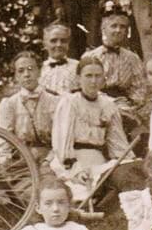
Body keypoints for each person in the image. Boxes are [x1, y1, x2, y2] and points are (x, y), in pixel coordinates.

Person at [50, 56, 134, 203]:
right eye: (88, 76)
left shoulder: (108, 105)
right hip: (73, 159)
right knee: (78, 193)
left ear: (104, 79)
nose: (93, 81)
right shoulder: (70, 102)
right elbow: (62, 143)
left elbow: (117, 142)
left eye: (98, 76)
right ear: (78, 78)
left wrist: (127, 160)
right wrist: (76, 169)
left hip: (98, 161)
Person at [83, 2, 148, 123]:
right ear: (103, 28)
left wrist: (131, 105)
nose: (118, 30)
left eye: (122, 27)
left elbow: (139, 88)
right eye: (114, 26)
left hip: (126, 108)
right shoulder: (91, 57)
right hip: (95, 107)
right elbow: (84, 88)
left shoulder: (132, 58)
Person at [0, 51, 58, 165]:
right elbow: (4, 140)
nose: (26, 74)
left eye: (31, 69)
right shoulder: (9, 104)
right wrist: (4, 162)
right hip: (22, 161)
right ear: (15, 76)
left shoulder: (55, 101)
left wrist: (49, 160)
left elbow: (61, 139)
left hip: (52, 159)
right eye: (21, 71)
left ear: (39, 71)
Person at [39, 22, 80, 95]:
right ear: (45, 44)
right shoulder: (39, 69)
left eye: (63, 41)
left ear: (68, 43)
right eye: (53, 41)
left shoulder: (78, 67)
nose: (59, 45)